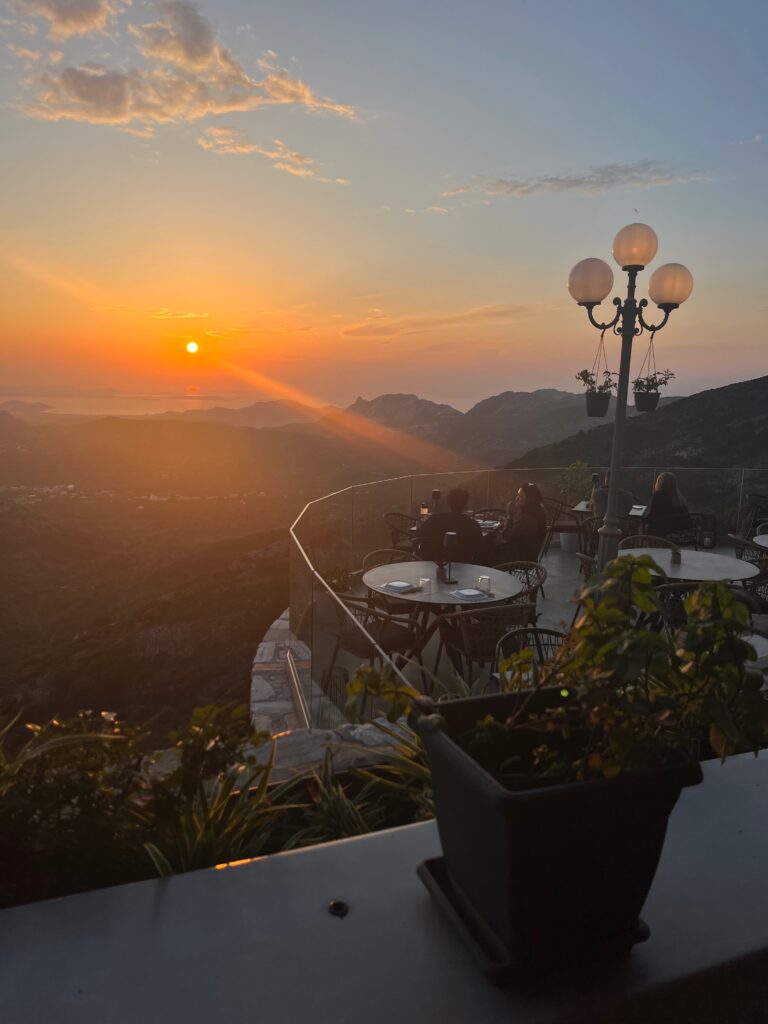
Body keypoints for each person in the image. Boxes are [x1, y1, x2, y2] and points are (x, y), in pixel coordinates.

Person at [414, 487, 483, 563]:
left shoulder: (434, 519)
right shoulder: (472, 525)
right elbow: (479, 548)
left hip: (432, 563)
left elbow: (418, 535)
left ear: (448, 502)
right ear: (465, 505)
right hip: (462, 564)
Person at [491, 483, 547, 564]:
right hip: (528, 556)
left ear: (530, 500)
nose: (517, 499)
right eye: (517, 495)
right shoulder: (537, 514)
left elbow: (507, 537)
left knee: (486, 545)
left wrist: (509, 517)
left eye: (521, 496)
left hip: (518, 558)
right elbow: (519, 534)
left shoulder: (527, 519)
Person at [647, 472, 694, 539]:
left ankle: (650, 547)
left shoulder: (659, 495)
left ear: (660, 483)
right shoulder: (680, 498)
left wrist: (642, 520)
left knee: (651, 527)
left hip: (666, 532)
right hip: (680, 532)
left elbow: (653, 515)